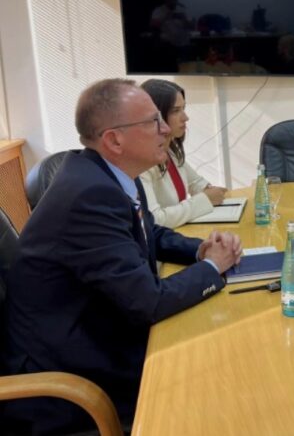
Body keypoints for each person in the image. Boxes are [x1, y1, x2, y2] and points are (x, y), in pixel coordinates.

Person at [1, 78, 242, 434]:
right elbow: (148, 302)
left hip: (96, 335)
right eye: (153, 122)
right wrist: (212, 267)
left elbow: (149, 232)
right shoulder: (88, 196)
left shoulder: (109, 175)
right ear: (114, 140)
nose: (166, 129)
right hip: (65, 380)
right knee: (218, 382)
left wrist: (199, 249)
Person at [140, 79, 227, 228]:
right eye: (175, 111)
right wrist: (205, 199)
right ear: (155, 116)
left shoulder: (170, 150)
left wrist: (208, 191)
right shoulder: (141, 163)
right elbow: (155, 220)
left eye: (183, 109)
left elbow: (196, 183)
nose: (186, 118)